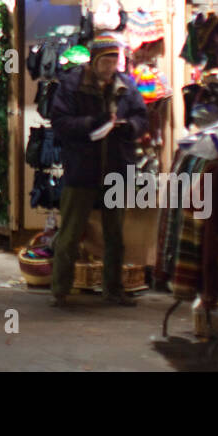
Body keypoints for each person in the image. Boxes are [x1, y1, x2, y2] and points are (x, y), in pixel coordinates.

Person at [47, 35, 149, 307]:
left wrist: (131, 127)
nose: (111, 64)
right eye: (106, 59)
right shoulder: (73, 85)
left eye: (115, 58)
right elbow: (60, 121)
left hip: (116, 167)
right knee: (70, 232)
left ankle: (113, 289)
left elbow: (141, 116)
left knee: (115, 234)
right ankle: (61, 290)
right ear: (94, 61)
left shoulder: (126, 86)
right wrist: (93, 123)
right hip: (82, 168)